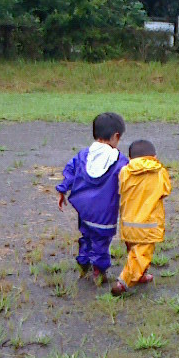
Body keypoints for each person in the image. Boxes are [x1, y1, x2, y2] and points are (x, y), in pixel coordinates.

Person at [57, 112, 129, 282]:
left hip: (84, 210)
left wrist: (62, 190)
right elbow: (129, 181)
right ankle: (99, 270)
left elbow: (70, 171)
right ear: (116, 136)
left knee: (86, 236)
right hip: (103, 213)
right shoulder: (120, 160)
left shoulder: (83, 155)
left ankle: (83, 261)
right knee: (101, 243)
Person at [111, 139, 171, 296]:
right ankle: (124, 282)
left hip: (128, 223)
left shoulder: (124, 171)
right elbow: (165, 191)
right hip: (149, 225)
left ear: (131, 158)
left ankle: (141, 275)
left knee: (133, 251)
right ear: (154, 156)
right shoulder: (160, 172)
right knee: (142, 254)